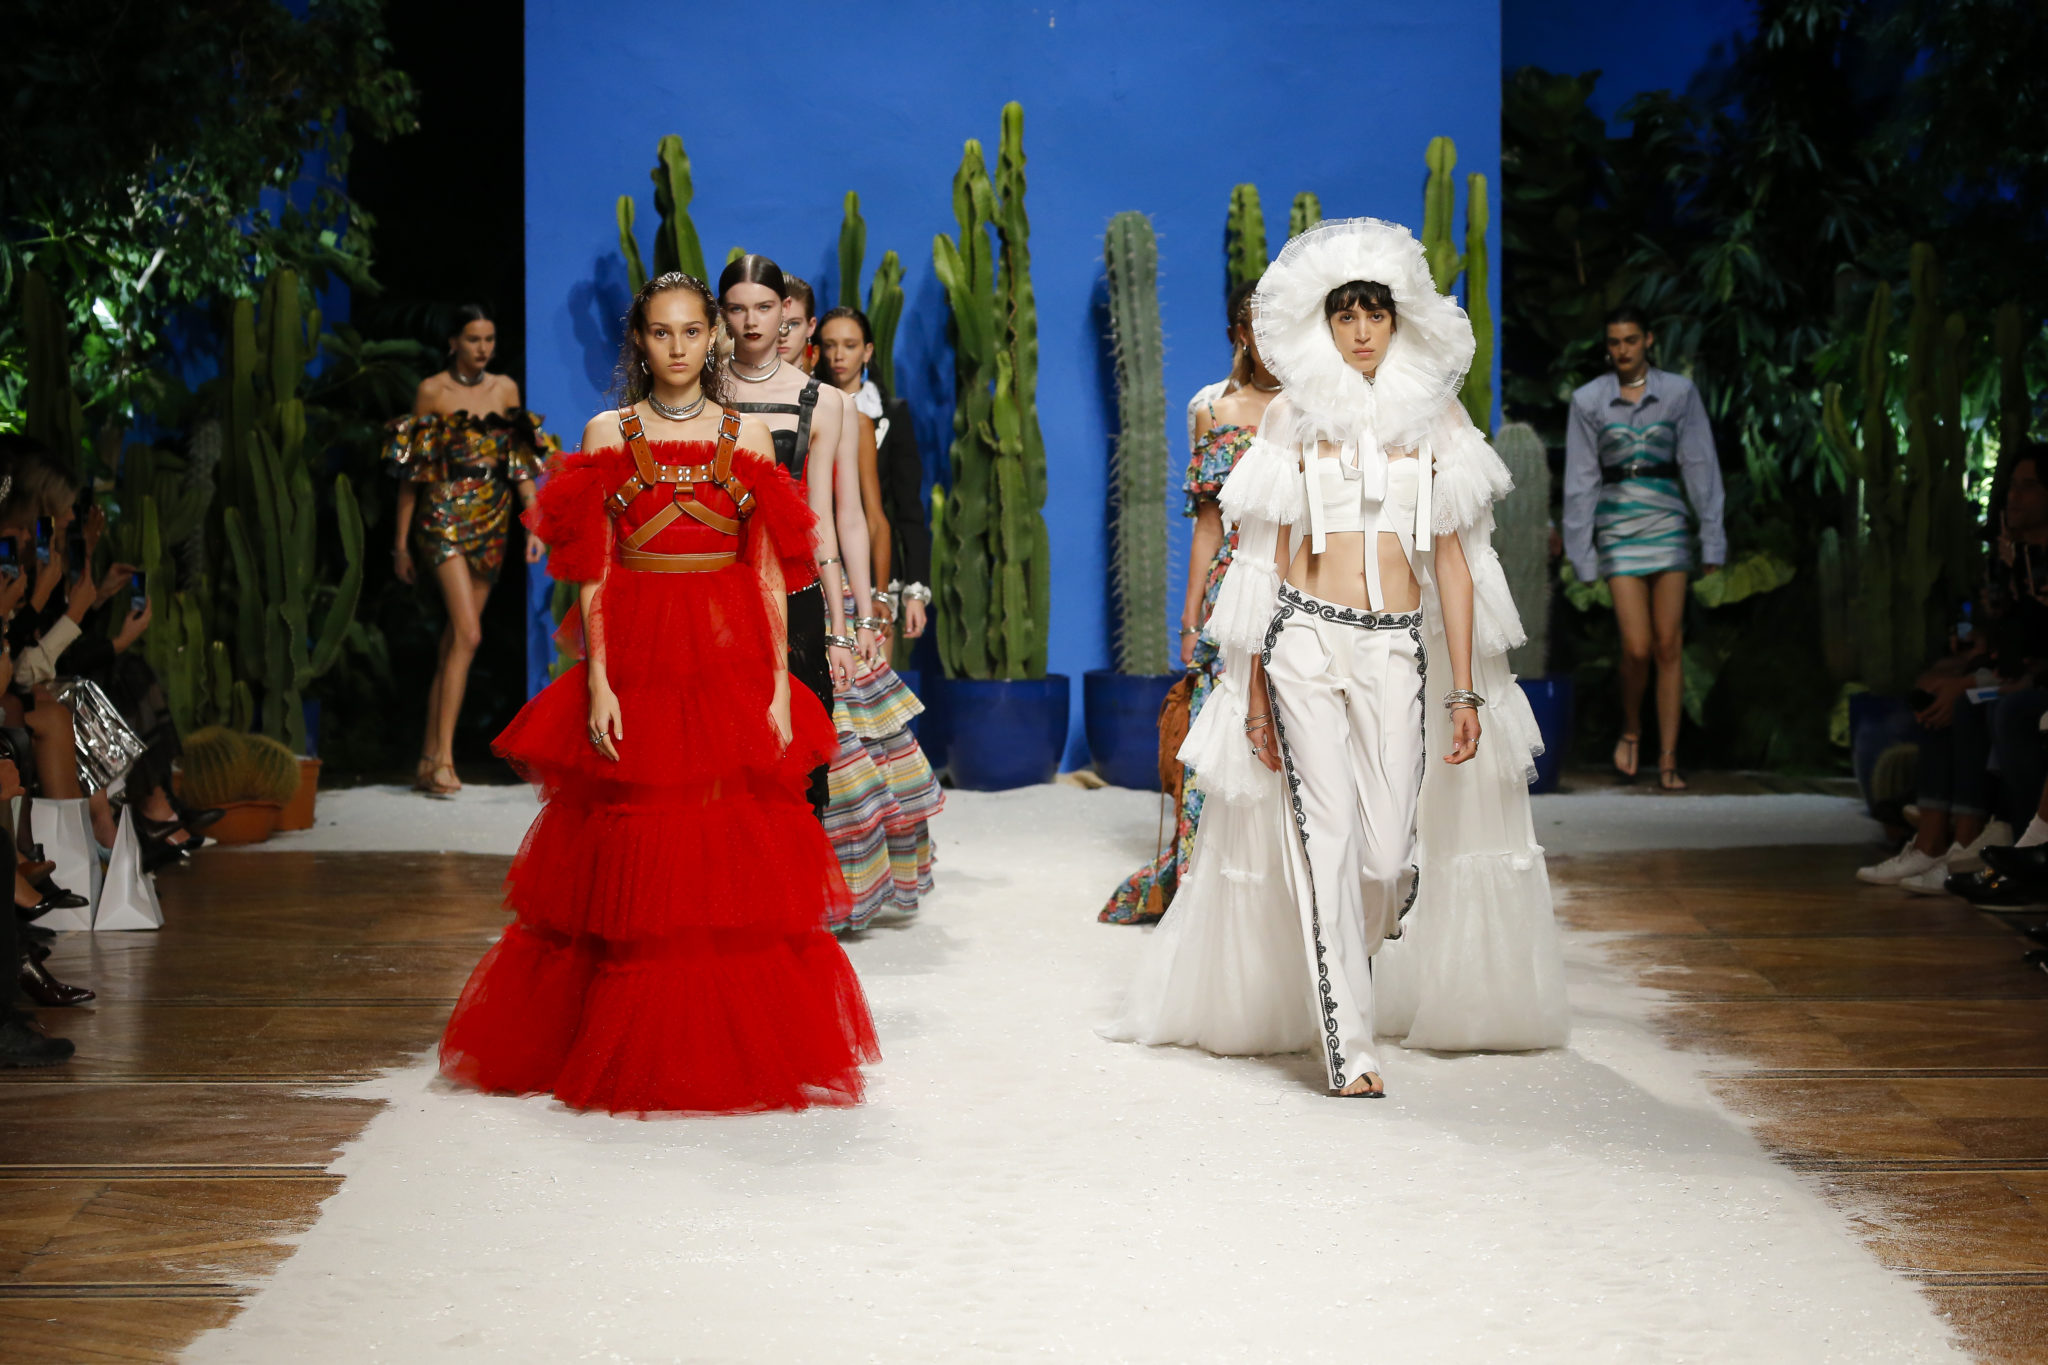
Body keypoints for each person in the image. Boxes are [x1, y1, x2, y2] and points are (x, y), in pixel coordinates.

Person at [1105, 218, 1569, 1099]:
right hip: (1304, 642)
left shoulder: (1437, 417)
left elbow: (1456, 563)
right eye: (1345, 315)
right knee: (1328, 838)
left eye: (1374, 314)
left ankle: (1352, 951)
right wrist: (1250, 692)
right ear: (1323, 323)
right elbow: (1261, 561)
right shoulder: (1292, 414)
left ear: (1399, 320)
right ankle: (1350, 1047)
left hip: (1396, 645)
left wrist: (1467, 691)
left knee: (1385, 859)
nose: (1360, 331)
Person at [437, 271, 878, 1114]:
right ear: (639, 341)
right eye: (660, 332)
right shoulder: (609, 430)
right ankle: (621, 1035)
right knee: (636, 835)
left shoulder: (748, 435)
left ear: (714, 338)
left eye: (690, 331)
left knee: (718, 835)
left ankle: (719, 1038)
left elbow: (765, 569)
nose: (677, 347)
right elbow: (593, 570)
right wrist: (599, 679)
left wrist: (780, 685)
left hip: (726, 653)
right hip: (637, 652)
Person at [1101, 282, 1280, 924]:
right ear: (1241, 334)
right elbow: (1208, 525)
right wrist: (1189, 618)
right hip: (1231, 591)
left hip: (1304, 586)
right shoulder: (1214, 410)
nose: (1272, 339)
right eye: (1259, 326)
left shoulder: (1318, 409)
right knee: (1219, 735)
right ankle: (1210, 883)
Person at [719, 256, 882, 839]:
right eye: (737, 309)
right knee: (719, 750)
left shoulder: (824, 401)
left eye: (764, 308)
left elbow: (831, 520)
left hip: (795, 589)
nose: (752, 321)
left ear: (785, 313)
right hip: (712, 584)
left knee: (796, 759)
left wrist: (847, 623)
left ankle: (791, 885)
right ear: (722, 314)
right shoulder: (699, 389)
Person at [385, 305, 559, 797]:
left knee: (455, 643)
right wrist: (399, 544)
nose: (483, 348)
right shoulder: (432, 391)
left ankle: (427, 759)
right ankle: (443, 759)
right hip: (442, 514)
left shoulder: (504, 389)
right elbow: (413, 473)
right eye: (473, 339)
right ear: (453, 343)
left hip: (492, 517)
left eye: (489, 339)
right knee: (469, 632)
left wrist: (534, 524)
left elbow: (520, 464)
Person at [1861, 444, 2048, 891]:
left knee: (1974, 703)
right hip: (2011, 675)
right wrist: (1966, 665)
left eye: (2028, 487)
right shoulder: (2013, 559)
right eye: (2012, 487)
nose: (2014, 498)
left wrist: (1970, 678)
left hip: (2029, 680)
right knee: (1941, 692)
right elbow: (1999, 636)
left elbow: (2030, 653)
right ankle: (1932, 843)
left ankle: (1974, 843)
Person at [1562, 306, 1727, 790]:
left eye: (1631, 340)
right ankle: (1632, 727)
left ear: (1648, 340)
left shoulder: (1678, 392)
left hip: (1668, 522)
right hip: (1617, 527)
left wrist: (1712, 538)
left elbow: (1700, 464)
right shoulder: (1588, 400)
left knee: (1669, 644)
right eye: (1615, 342)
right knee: (1636, 648)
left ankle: (1669, 758)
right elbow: (1581, 480)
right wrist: (1581, 553)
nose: (1623, 350)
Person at [816, 306, 944, 918]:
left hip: (874, 577)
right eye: (828, 344)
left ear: (868, 351)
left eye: (849, 345)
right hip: (821, 577)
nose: (838, 355)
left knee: (876, 725)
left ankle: (890, 858)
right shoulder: (806, 406)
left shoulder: (888, 414)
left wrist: (907, 591)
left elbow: (898, 510)